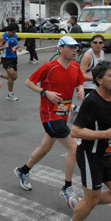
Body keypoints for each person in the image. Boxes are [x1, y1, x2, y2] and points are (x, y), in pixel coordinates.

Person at [63, 60, 111, 221]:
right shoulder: (92, 101)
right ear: (99, 79)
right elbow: (75, 131)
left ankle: (80, 203)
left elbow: (109, 126)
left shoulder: (110, 96)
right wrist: (105, 135)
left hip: (106, 154)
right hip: (90, 156)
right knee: (93, 198)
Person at [14, 36, 85, 207]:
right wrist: (45, 93)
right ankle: (67, 187)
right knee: (74, 148)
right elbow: (28, 82)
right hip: (49, 115)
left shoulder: (75, 66)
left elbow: (79, 82)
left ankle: (23, 171)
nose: (75, 50)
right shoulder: (49, 67)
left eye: (76, 47)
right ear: (61, 48)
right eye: (71, 47)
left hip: (63, 114)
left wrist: (80, 89)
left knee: (45, 148)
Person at [0, 22, 23, 101]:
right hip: (6, 58)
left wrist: (19, 48)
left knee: (15, 77)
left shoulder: (16, 35)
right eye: (13, 32)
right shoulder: (3, 37)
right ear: (9, 30)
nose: (14, 33)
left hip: (14, 57)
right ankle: (10, 94)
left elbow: (17, 44)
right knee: (11, 75)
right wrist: (4, 47)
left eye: (15, 32)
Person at [79, 34, 106, 98]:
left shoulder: (102, 52)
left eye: (100, 43)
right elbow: (81, 74)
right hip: (89, 87)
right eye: (95, 42)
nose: (97, 44)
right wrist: (95, 78)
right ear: (91, 44)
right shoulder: (88, 56)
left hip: (99, 85)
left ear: (103, 44)